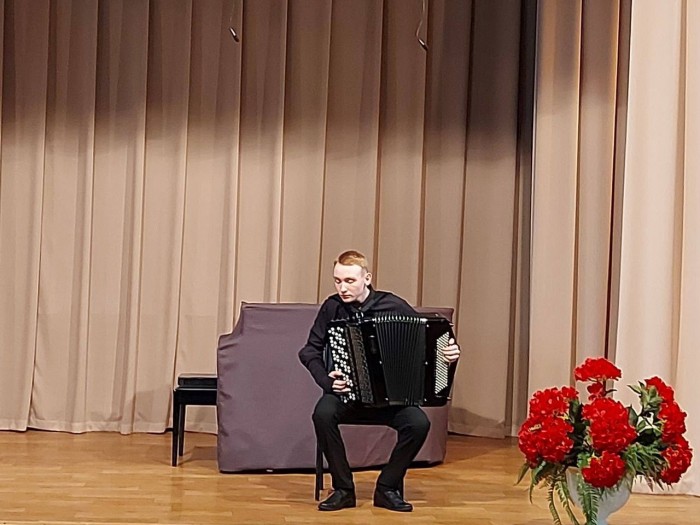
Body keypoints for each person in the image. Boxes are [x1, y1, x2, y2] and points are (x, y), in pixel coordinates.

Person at [298, 250, 461, 512]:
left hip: (389, 400)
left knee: (418, 424)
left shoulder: (393, 306)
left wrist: (448, 354)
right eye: (337, 281)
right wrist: (327, 381)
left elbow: (427, 343)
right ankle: (343, 489)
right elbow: (309, 351)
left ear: (367, 278)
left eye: (349, 281)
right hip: (347, 395)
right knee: (323, 414)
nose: (342, 288)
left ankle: (387, 487)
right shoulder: (332, 308)